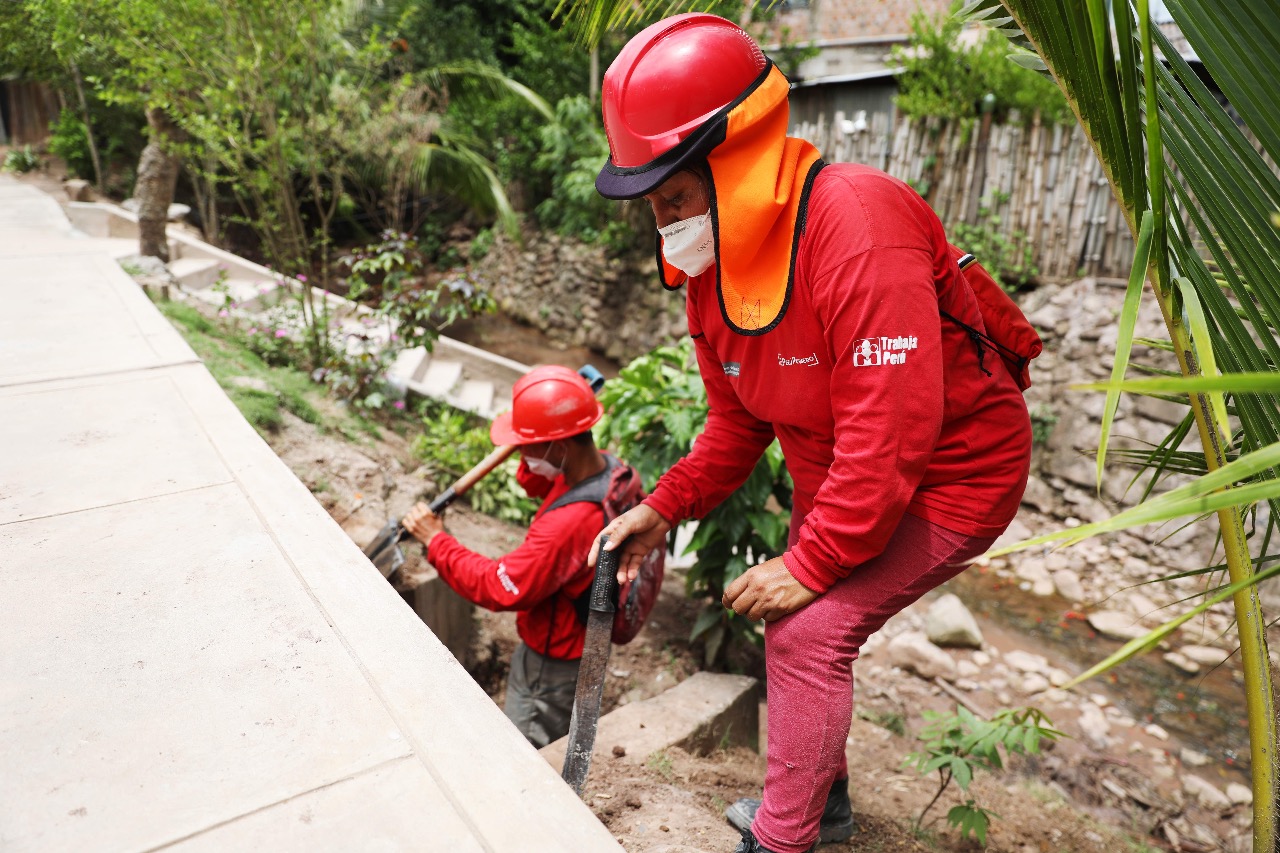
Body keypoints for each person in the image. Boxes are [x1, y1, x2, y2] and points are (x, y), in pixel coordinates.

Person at [589, 14, 1032, 853]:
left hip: (954, 472)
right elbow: (738, 418)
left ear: (734, 163)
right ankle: (820, 805)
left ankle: (781, 840)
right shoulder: (711, 266)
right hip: (841, 474)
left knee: (809, 626)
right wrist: (665, 507)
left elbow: (892, 427)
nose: (664, 224)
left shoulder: (856, 223)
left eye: (674, 198)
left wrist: (813, 560)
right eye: (653, 205)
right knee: (788, 607)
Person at [402, 364, 620, 749]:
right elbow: (534, 483)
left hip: (550, 665)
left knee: (526, 753)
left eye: (527, 443)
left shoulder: (568, 525)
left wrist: (436, 541)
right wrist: (534, 435)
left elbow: (500, 587)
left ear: (561, 446)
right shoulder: (605, 470)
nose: (520, 450)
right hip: (578, 640)